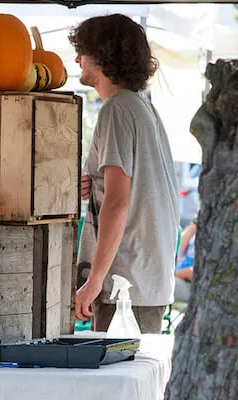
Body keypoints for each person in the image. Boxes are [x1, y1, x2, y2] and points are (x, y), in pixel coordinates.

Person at [71, 14, 179, 333]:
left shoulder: (116, 110)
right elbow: (135, 188)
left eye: (83, 51)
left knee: (115, 366)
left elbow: (118, 202)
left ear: (102, 55)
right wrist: (96, 183)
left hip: (125, 285)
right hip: (146, 281)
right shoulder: (142, 108)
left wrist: (94, 281)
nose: (77, 60)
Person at [174, 219, 196, 303]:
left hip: (191, 284)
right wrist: (192, 228)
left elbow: (196, 272)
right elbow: (178, 248)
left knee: (158, 283)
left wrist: (172, 274)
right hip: (178, 273)